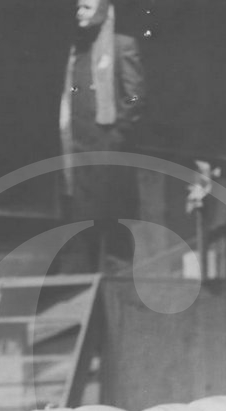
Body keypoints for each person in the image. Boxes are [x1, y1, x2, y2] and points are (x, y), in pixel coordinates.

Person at [57, 0, 146, 272]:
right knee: (83, 221)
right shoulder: (78, 49)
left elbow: (135, 95)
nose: (79, 13)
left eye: (86, 7)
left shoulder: (123, 45)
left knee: (110, 220)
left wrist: (118, 132)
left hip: (108, 149)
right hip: (79, 149)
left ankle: (115, 278)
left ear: (102, 9)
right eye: (78, 7)